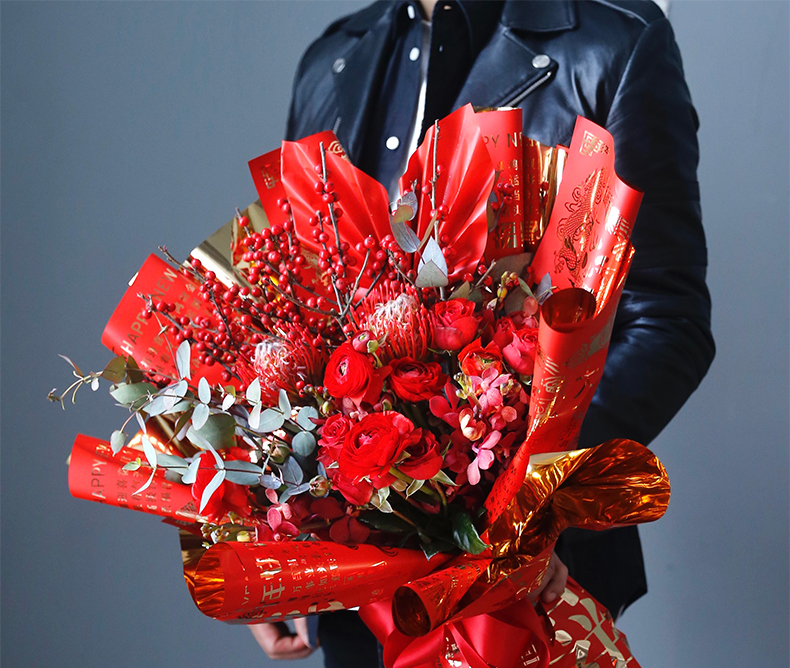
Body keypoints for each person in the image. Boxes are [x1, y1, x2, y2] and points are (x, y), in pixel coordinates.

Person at [251, 0, 715, 665]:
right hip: (356, 600)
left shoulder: (614, 44)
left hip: (530, 587)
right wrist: (267, 537)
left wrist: (531, 503)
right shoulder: (333, 60)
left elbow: (667, 320)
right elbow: (293, 322)